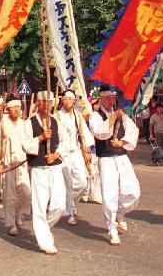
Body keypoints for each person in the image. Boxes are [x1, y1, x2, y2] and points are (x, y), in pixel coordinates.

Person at [89, 86, 140, 246]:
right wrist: (113, 118)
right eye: (109, 98)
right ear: (102, 99)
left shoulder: (121, 115)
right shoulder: (95, 115)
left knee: (133, 191)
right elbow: (99, 132)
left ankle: (121, 212)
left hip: (122, 156)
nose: (112, 101)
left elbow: (133, 131)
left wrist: (122, 142)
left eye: (114, 98)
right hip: (106, 158)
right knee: (110, 193)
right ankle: (111, 228)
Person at [22, 91, 66, 255]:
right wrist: (40, 138)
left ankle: (43, 227)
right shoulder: (30, 122)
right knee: (40, 205)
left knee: (59, 204)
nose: (45, 105)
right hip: (39, 168)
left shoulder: (55, 121)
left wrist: (56, 154)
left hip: (54, 166)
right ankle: (45, 241)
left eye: (48, 102)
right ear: (38, 103)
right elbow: (25, 144)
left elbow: (65, 141)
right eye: (42, 102)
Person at [0, 97, 31, 236]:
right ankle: (10, 223)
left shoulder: (25, 124)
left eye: (18, 107)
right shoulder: (2, 124)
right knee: (9, 196)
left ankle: (18, 214)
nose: (16, 110)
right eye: (13, 108)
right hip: (8, 164)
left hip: (22, 164)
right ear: (8, 109)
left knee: (26, 193)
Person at [56, 89, 94, 225]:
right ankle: (71, 212)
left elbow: (84, 133)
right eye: (65, 98)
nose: (67, 101)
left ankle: (71, 203)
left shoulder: (78, 116)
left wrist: (87, 149)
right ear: (62, 100)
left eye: (70, 99)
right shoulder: (57, 116)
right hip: (62, 154)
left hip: (76, 152)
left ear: (74, 101)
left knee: (82, 182)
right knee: (67, 183)